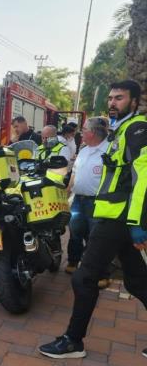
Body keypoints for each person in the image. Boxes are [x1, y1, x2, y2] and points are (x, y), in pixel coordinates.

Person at [39, 80, 147, 359]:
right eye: (110, 98)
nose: (112, 103)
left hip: (119, 218)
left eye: (120, 98)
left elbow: (143, 176)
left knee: (84, 278)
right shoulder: (120, 130)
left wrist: (137, 223)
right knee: (137, 282)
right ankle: (73, 340)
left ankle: (73, 341)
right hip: (113, 216)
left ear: (134, 101)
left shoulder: (136, 129)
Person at [65, 118, 111, 289]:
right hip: (78, 200)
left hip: (98, 202)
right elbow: (74, 175)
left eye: (84, 129)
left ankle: (102, 274)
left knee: (97, 238)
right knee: (75, 232)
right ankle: (73, 261)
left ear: (93, 132)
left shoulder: (109, 150)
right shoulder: (84, 150)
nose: (80, 132)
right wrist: (66, 194)